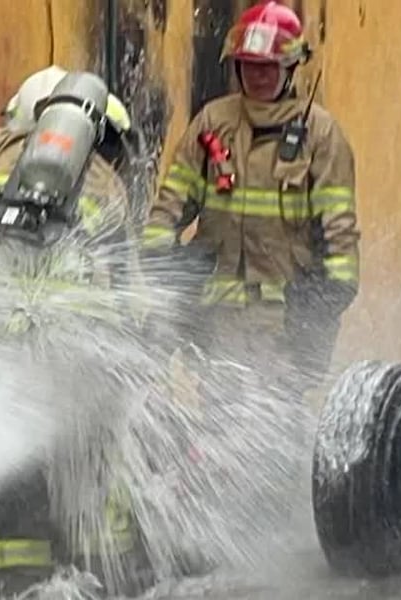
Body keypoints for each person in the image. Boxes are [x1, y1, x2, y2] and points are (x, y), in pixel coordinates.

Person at [0, 68, 150, 598]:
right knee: (95, 481)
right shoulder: (107, 183)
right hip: (76, 365)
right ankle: (111, 579)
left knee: (9, 484)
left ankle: (20, 585)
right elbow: (130, 298)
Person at [141, 0, 359, 401]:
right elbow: (172, 201)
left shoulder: (321, 135)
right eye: (249, 65)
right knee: (214, 426)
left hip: (283, 324)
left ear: (290, 68)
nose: (257, 76)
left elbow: (340, 232)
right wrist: (159, 260)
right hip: (215, 319)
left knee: (274, 427)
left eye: (268, 66)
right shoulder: (212, 123)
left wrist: (322, 301)